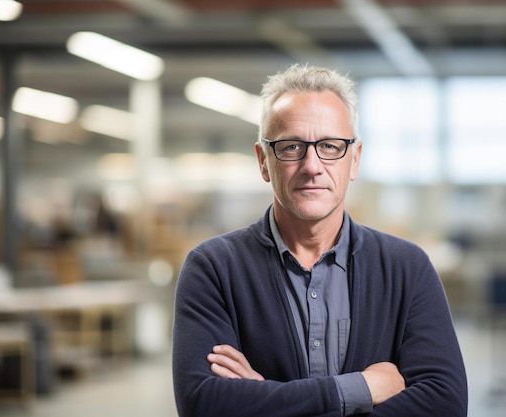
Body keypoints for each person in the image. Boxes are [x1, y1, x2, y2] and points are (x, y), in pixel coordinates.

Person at [172, 64, 468, 417]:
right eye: (292, 146)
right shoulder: (214, 268)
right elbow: (203, 404)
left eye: (329, 146)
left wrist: (267, 399)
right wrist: (360, 388)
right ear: (263, 161)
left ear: (354, 160)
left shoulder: (406, 267)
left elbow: (445, 403)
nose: (312, 166)